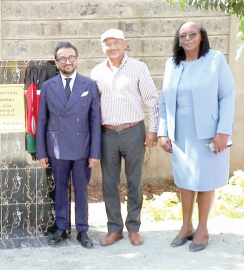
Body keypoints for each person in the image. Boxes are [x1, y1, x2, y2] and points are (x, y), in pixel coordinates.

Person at [158, 22, 235, 252]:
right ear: (178, 40)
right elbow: (164, 99)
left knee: (205, 180)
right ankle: (185, 226)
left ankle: (202, 228)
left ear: (202, 37)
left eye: (193, 34)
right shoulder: (172, 64)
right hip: (180, 133)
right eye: (183, 35)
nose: (188, 39)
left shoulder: (215, 59)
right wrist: (163, 131)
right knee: (185, 181)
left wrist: (223, 132)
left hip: (209, 133)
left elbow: (228, 95)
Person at [91, 29, 159, 246]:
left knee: (134, 180)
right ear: (102, 47)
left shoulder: (139, 67)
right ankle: (114, 229)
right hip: (107, 133)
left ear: (124, 44)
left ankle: (134, 228)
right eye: (107, 44)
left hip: (133, 131)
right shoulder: (96, 72)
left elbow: (152, 100)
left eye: (116, 42)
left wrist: (153, 130)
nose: (112, 47)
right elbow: (94, 107)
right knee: (109, 183)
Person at [36, 42, 101, 249]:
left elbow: (95, 121)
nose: (67, 62)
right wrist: (42, 152)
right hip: (57, 148)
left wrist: (95, 152)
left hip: (82, 148)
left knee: (81, 189)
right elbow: (42, 121)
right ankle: (61, 228)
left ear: (77, 59)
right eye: (62, 59)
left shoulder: (89, 85)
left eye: (71, 57)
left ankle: (82, 230)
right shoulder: (48, 86)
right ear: (56, 63)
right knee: (60, 190)